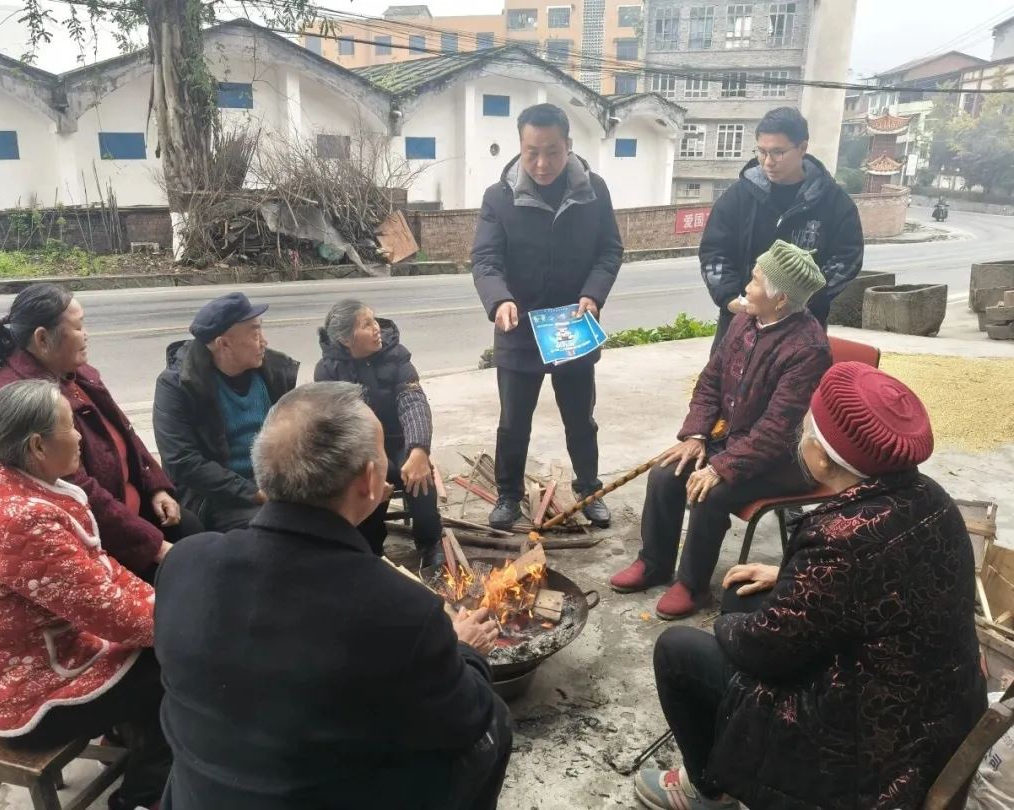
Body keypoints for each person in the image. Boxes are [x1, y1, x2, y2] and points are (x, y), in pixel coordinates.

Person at [635, 363, 987, 810]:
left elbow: (764, 649)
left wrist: (727, 627)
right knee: (742, 591)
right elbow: (877, 585)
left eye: (806, 429)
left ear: (821, 457)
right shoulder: (931, 497)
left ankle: (707, 788)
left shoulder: (840, 538)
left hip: (872, 749)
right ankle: (728, 750)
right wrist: (786, 577)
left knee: (679, 649)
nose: (799, 436)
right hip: (938, 705)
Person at [153, 382, 512, 809]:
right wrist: (465, 650)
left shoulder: (185, 563)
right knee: (495, 722)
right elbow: (465, 719)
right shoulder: (400, 609)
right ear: (369, 480)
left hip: (202, 796)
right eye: (382, 458)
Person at [0, 380, 170, 810]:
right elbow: (114, 613)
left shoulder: (26, 493)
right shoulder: (22, 520)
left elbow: (104, 578)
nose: (80, 435)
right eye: (69, 426)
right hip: (27, 699)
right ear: (38, 448)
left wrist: (161, 601)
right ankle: (142, 796)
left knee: (164, 645)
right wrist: (182, 615)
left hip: (50, 661)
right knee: (173, 669)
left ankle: (131, 742)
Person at [610, 241, 832, 620]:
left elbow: (778, 430)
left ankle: (691, 585)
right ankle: (654, 563)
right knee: (667, 473)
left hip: (783, 460)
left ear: (780, 300)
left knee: (711, 493)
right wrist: (696, 436)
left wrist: (719, 466)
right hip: (731, 437)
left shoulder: (808, 348)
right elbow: (710, 380)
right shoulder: (745, 320)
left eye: (756, 280)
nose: (746, 286)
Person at [0, 284, 199, 577]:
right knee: (191, 572)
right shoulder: (28, 405)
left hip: (129, 510)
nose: (86, 335)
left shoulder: (73, 373)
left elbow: (125, 431)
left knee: (195, 533)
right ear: (42, 339)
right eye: (79, 326)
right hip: (96, 537)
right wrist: (156, 547)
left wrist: (155, 485)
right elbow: (79, 494)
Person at [472, 102, 623, 531]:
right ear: (520, 147)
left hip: (573, 326)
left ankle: (589, 488)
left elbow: (610, 250)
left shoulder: (593, 191)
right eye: (531, 151)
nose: (542, 163)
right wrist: (499, 300)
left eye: (552, 152)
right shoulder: (499, 197)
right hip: (518, 328)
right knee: (513, 422)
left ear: (568, 146)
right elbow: (485, 260)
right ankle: (508, 495)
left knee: (580, 418)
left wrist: (593, 295)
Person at [700, 107, 864, 351]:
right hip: (740, 322)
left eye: (778, 152)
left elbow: (847, 258)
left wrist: (800, 302)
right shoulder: (739, 196)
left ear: (802, 148)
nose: (768, 162)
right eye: (762, 152)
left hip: (802, 330)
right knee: (725, 385)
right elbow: (715, 250)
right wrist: (730, 299)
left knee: (793, 387)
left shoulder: (833, 202)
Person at [314, 299, 445, 568]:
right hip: (358, 446)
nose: (377, 328)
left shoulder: (396, 356)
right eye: (366, 324)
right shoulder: (327, 371)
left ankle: (430, 541)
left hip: (398, 441)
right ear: (346, 339)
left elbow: (413, 401)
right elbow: (336, 427)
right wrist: (365, 466)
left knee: (420, 474)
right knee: (367, 481)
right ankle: (370, 550)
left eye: (375, 320)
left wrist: (419, 449)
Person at [153, 292, 299, 532]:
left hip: (273, 482)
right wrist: (253, 493)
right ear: (223, 344)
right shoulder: (178, 386)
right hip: (217, 495)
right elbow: (183, 461)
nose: (264, 341)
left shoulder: (273, 371)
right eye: (254, 333)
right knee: (278, 530)